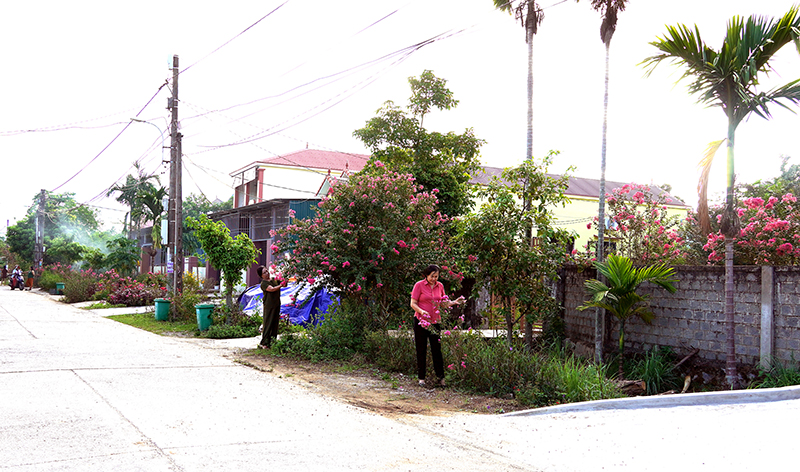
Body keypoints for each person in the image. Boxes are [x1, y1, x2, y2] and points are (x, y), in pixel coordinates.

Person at [410, 264, 465, 387]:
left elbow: (443, 303)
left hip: (435, 322)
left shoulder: (440, 286)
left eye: (436, 276)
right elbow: (413, 303)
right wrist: (421, 311)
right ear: (426, 275)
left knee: (437, 350)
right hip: (421, 321)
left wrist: (454, 302)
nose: (434, 279)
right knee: (421, 349)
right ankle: (421, 378)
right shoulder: (419, 285)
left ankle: (441, 378)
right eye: (432, 276)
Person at [257, 265, 286, 349]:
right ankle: (264, 343)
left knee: (275, 323)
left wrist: (284, 279)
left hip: (276, 303)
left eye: (267, 271)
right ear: (261, 276)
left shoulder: (274, 280)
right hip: (269, 305)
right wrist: (281, 285)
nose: (267, 273)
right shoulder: (264, 283)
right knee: (268, 323)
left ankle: (272, 341)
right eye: (264, 272)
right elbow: (272, 289)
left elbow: (283, 284)